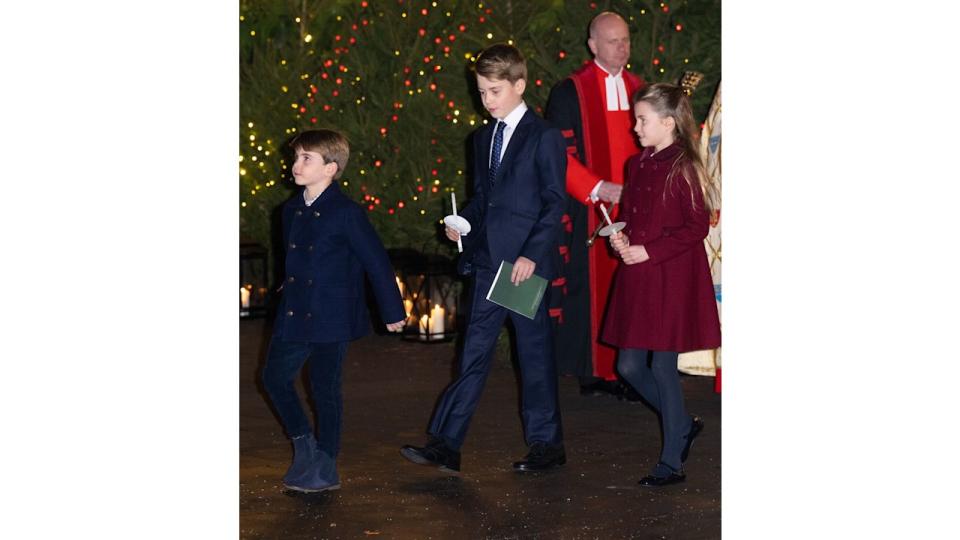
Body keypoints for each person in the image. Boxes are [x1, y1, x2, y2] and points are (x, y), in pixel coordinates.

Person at [400, 43, 567, 474]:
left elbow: (554, 202)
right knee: (472, 353)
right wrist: (463, 223)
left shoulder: (544, 135)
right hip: (490, 261)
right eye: (481, 92)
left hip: (522, 266)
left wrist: (532, 254)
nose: (487, 100)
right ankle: (446, 443)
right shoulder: (482, 137)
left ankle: (547, 444)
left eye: (494, 91)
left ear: (519, 85)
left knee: (532, 354)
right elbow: (483, 199)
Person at [261, 129, 406, 493]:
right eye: (296, 157)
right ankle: (303, 444)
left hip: (331, 314)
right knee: (274, 378)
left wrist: (392, 310)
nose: (296, 165)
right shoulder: (288, 211)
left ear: (331, 168)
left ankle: (326, 461)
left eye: (305, 158)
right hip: (294, 312)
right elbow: (292, 256)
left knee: (324, 388)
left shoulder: (347, 214)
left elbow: (376, 263)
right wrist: (285, 283)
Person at [602, 83, 721, 487]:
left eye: (643, 120)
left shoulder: (683, 166)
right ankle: (682, 424)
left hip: (670, 279)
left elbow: (697, 226)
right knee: (629, 366)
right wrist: (621, 236)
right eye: (636, 119)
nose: (635, 127)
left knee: (663, 368)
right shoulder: (636, 165)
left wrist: (649, 251)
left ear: (668, 123)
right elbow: (633, 216)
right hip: (640, 278)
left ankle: (672, 461)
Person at [545, 11, 646, 396]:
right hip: (590, 206)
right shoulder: (571, 91)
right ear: (592, 46)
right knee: (591, 287)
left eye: (625, 40)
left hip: (636, 208)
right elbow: (557, 153)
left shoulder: (641, 88)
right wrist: (597, 187)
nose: (621, 47)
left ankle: (629, 370)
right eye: (612, 41)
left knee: (633, 289)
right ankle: (595, 370)